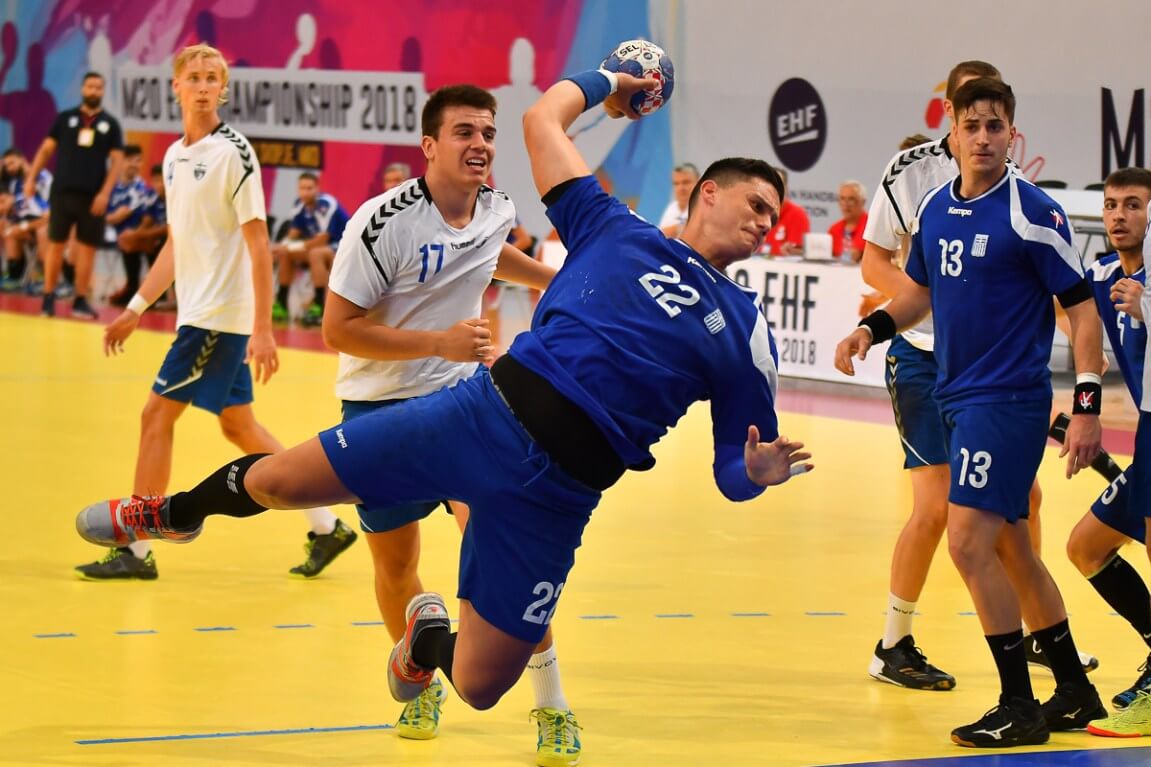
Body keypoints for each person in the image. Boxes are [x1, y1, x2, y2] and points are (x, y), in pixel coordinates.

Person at [75, 66, 811, 743]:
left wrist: (754, 473)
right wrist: (613, 79)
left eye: (773, 217)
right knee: (276, 482)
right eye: (756, 204)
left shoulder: (745, 328)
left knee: (482, 686)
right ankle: (172, 513)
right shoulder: (614, 227)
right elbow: (543, 120)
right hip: (475, 419)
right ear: (707, 193)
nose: (764, 222)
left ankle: (426, 640)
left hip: (556, 498)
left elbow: (731, 468)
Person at [836, 77, 1107, 748]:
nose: (983, 137)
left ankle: (1018, 705)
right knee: (1010, 545)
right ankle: (1073, 689)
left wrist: (1086, 405)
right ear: (951, 133)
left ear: (1012, 134)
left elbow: (1081, 311)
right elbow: (917, 295)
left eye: (995, 126)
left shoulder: (1032, 212)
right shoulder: (933, 207)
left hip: (1005, 400)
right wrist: (870, 328)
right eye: (972, 125)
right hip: (954, 395)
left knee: (965, 541)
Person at [318, 83, 578, 764]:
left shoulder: (497, 208)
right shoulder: (381, 223)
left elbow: (488, 254)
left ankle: (552, 705)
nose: (480, 144)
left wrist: (552, 280)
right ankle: (421, 677)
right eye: (464, 132)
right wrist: (439, 342)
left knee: (508, 556)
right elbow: (337, 329)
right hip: (379, 407)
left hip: (467, 405)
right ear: (429, 146)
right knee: (395, 563)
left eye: (488, 133)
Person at [72, 43, 356, 581]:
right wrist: (135, 307)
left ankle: (136, 548)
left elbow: (258, 243)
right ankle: (326, 525)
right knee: (239, 426)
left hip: (217, 318)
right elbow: (176, 244)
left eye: (212, 78)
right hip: (199, 313)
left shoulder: (234, 153)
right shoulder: (174, 158)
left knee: (155, 417)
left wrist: (264, 329)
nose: (203, 86)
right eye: (194, 77)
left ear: (222, 89)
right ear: (176, 86)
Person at [1054, 169, 1151, 737]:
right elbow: (1060, 308)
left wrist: (1148, 306)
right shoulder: (1103, 275)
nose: (1118, 215)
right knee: (1086, 547)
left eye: (1133, 205)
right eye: (1112, 205)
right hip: (1147, 434)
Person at [24, 71, 123, 319]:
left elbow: (117, 162)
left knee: (87, 249)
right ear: (82, 89)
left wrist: (105, 193)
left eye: (98, 87)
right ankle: (48, 297)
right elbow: (46, 150)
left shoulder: (110, 124)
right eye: (90, 86)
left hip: (93, 198)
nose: (94, 91)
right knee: (55, 245)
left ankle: (79, 299)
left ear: (103, 91)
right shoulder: (64, 118)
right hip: (63, 193)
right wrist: (31, 178)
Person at [270, 172, 350, 327]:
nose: (305, 192)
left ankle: (319, 305)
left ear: (317, 188)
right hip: (318, 248)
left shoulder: (326, 204)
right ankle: (281, 303)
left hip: (341, 247)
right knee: (286, 254)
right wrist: (282, 246)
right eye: (302, 188)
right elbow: (294, 233)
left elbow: (323, 239)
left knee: (315, 254)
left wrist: (292, 246)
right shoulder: (299, 204)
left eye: (309, 188)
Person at [104, 144, 152, 305]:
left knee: (129, 237)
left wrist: (108, 218)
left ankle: (132, 288)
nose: (133, 164)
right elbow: (104, 215)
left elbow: (119, 216)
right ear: (121, 162)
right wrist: (108, 218)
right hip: (106, 232)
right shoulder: (111, 187)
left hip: (130, 233)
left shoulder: (140, 188)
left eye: (138, 160)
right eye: (129, 160)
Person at [0, 147, 50, 291]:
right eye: (6, 165)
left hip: (45, 224)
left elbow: (50, 215)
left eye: (12, 163)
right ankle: (14, 276)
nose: (9, 168)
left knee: (42, 231)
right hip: (26, 225)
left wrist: (24, 227)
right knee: (6, 227)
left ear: (22, 160)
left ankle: (46, 278)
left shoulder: (43, 178)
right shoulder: (14, 183)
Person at [760, 168, 809, 255]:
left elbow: (797, 254)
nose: (773, 189)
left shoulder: (797, 215)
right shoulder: (755, 211)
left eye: (778, 185)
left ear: (786, 189)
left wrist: (793, 252)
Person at [828, 180, 867, 262]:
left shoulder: (870, 225)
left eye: (851, 199)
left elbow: (855, 255)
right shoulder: (834, 229)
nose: (846, 204)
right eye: (842, 199)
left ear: (863, 202)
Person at [658, 161, 698, 237]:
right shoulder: (671, 208)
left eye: (686, 182)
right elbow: (659, 235)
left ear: (698, 182)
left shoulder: (705, 208)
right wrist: (680, 227)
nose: (681, 188)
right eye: (676, 184)